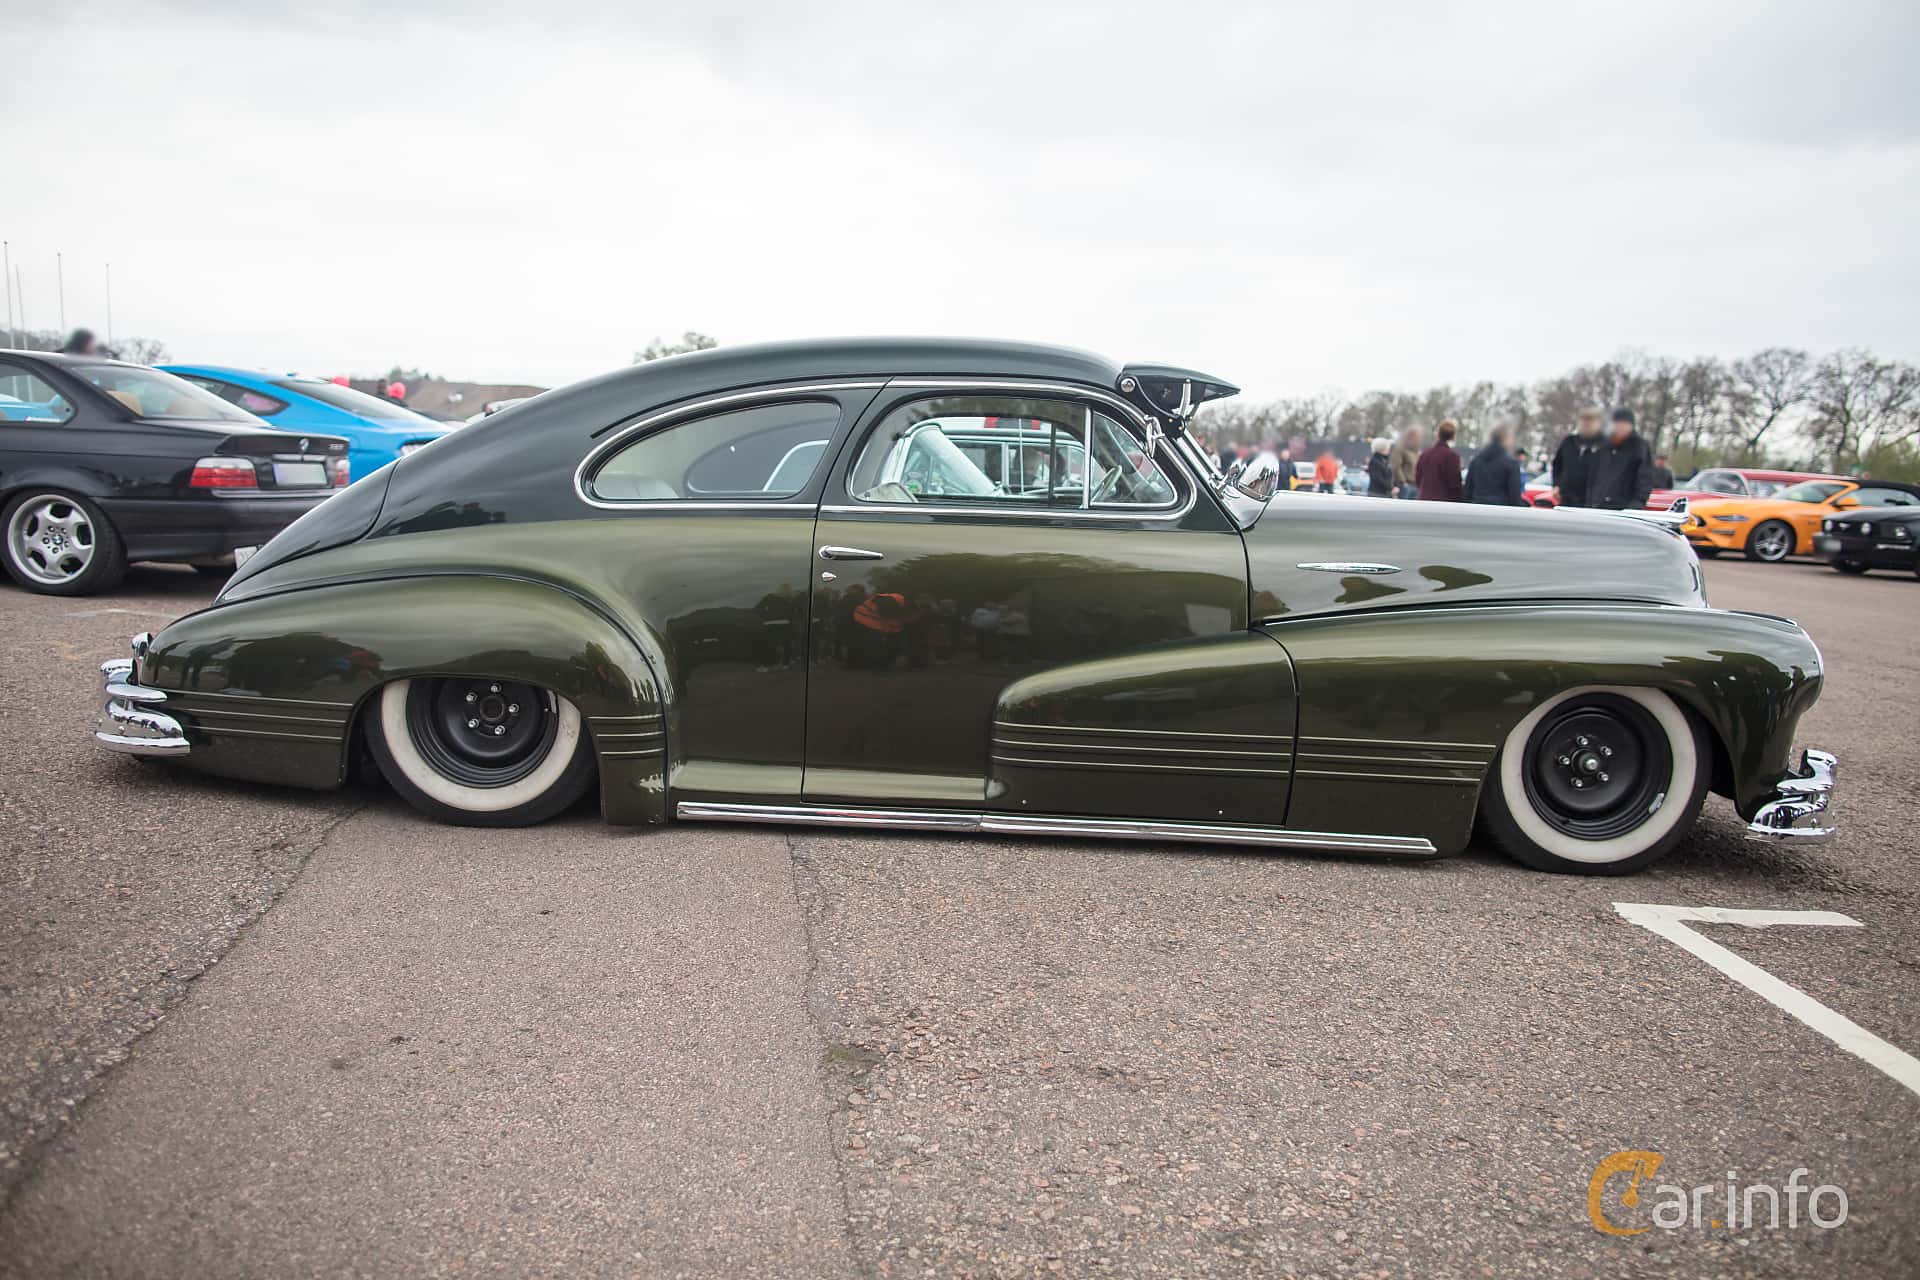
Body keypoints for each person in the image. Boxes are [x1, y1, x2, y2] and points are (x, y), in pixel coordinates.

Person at [1587, 407, 1655, 510]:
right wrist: (1591, 501)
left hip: (1625, 508)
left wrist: (1636, 504)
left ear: (1630, 426)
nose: (1619, 427)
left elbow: (1645, 479)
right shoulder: (1604, 446)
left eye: (1623, 424)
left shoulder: (1639, 446)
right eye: (1617, 423)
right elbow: (1593, 476)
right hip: (1599, 506)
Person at [1550, 406, 1604, 507]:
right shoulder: (1569, 442)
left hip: (1595, 503)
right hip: (1567, 499)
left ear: (1599, 422)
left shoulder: (1606, 445)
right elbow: (1557, 465)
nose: (1587, 423)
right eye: (1584, 419)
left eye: (1591, 420)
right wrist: (1557, 485)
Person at [1464, 420, 1526, 506]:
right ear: (1506, 439)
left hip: (1477, 509)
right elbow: (1514, 496)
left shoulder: (1476, 461)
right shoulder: (1511, 464)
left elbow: (1467, 491)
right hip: (1501, 512)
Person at [1414, 419, 1464, 501]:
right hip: (1443, 503)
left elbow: (1418, 478)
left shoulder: (1425, 454)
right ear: (1453, 436)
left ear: (1438, 433)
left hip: (1424, 500)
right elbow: (1455, 485)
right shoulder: (1452, 457)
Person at [1390, 425, 1423, 499]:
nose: (1418, 439)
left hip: (1415, 485)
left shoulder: (1416, 450)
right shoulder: (1400, 449)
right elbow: (1396, 466)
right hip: (1405, 485)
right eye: (1416, 437)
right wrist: (1403, 481)